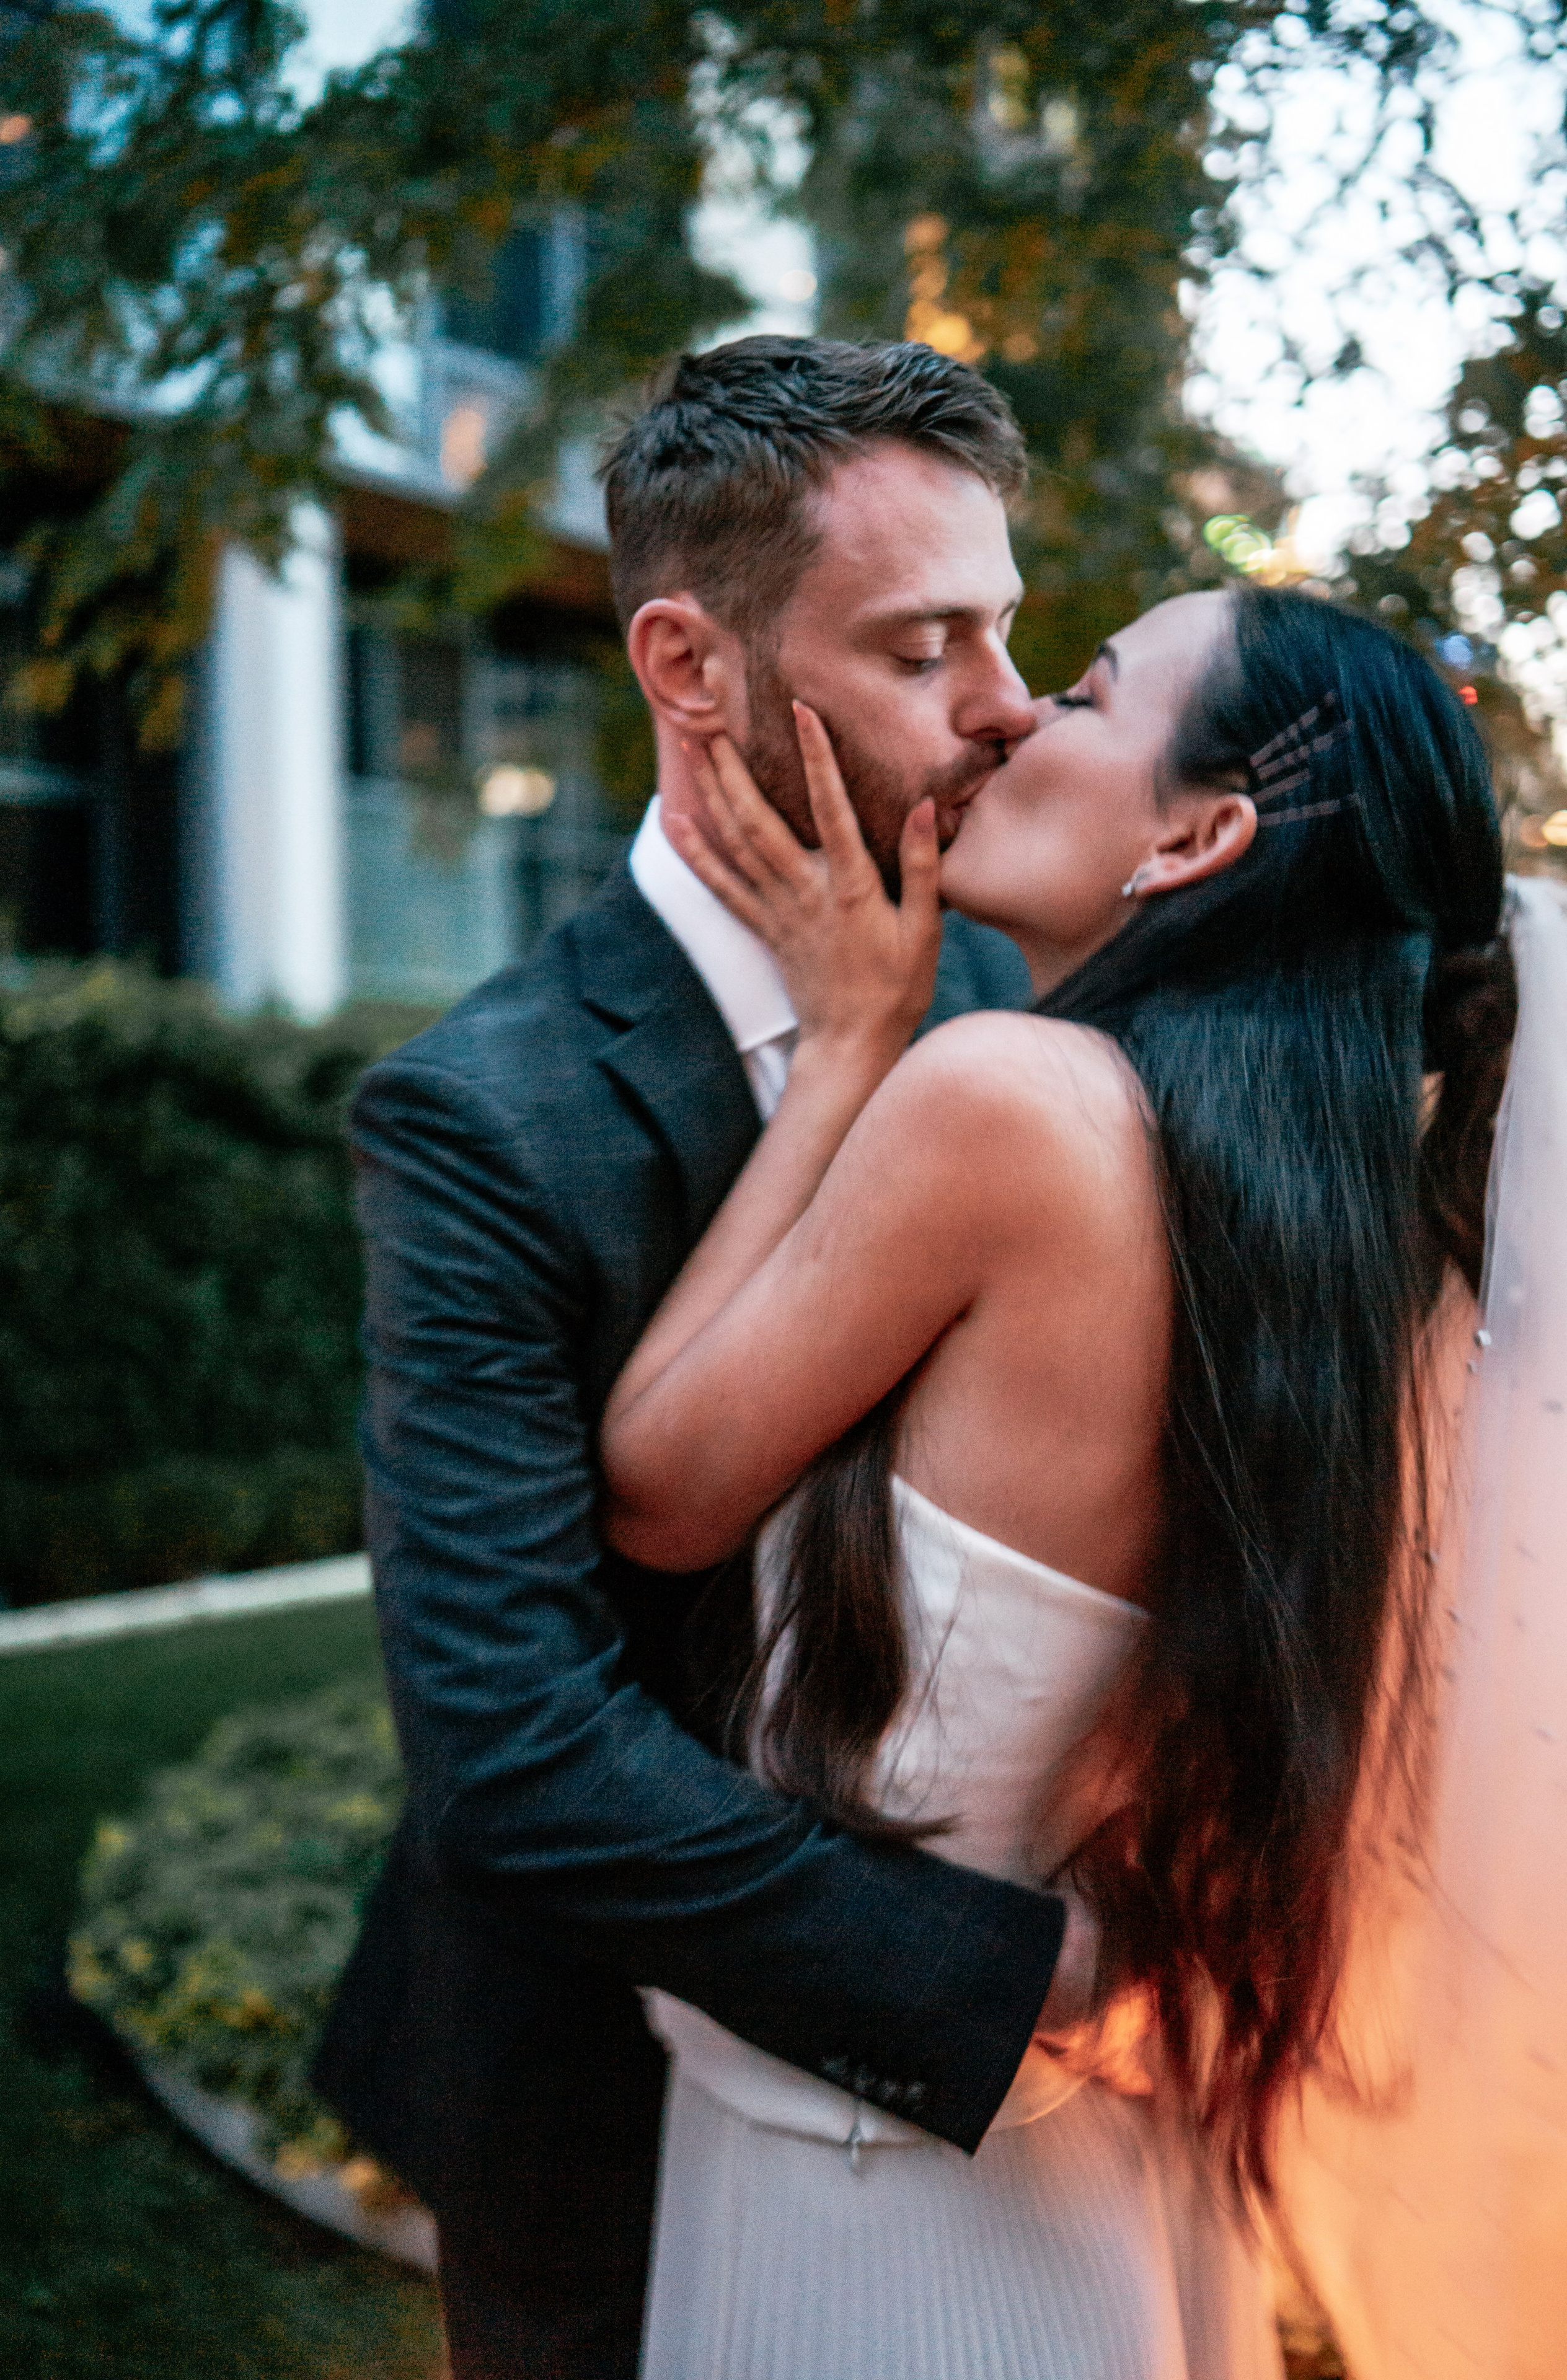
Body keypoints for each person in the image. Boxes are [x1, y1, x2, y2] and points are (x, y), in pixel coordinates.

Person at [601, 581, 1519, 2378]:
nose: (1017, 716)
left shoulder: (1007, 1103)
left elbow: (662, 1488)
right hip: (1094, 2140)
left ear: (1198, 838)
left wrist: (848, 1044)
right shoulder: (1335, 1223)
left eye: (1089, 696)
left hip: (870, 2175)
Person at [312, 337, 1107, 2380]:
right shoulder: (479, 1118)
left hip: (1031, 2156)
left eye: (1006, 628)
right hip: (598, 2121)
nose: (1011, 704)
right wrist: (997, 1983)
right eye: (925, 647)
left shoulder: (1028, 998)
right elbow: (514, 1753)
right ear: (687, 665)